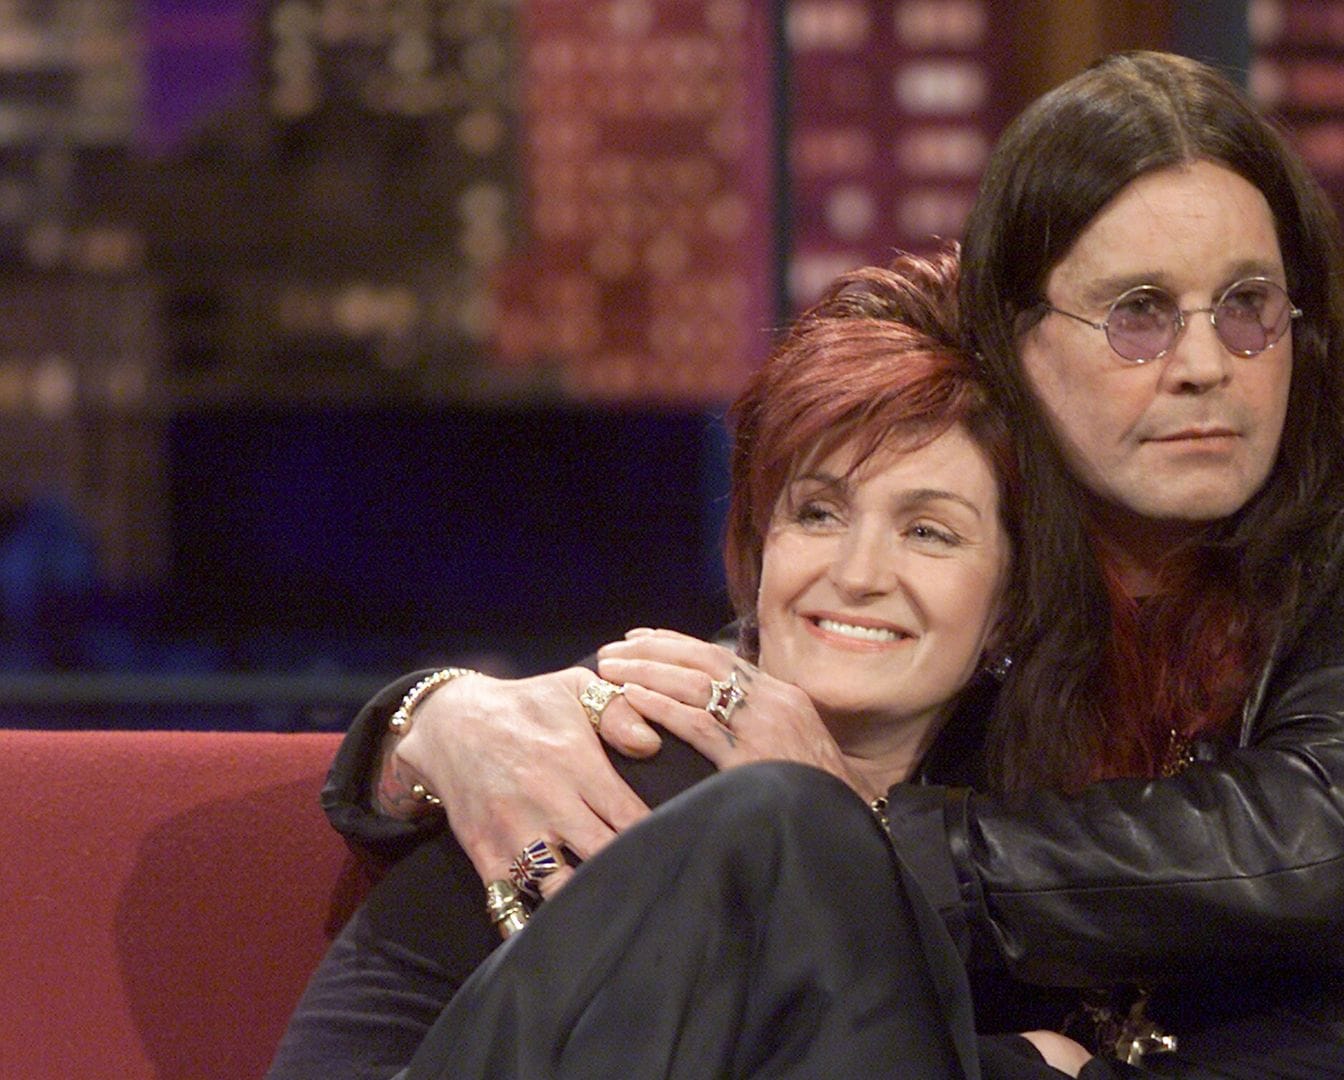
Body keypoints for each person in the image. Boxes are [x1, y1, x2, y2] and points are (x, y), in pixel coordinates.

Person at [319, 52, 1344, 1077]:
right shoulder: (999, 606)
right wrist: (433, 719)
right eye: (1139, 315)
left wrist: (849, 839)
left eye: (1249, 308)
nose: (1204, 364)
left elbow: (1318, 852)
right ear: (1021, 341)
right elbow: (786, 661)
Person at [271, 250, 1081, 1078]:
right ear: (763, 544)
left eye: (929, 532)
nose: (859, 573)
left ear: (1013, 598)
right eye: (819, 513)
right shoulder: (639, 732)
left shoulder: (1022, 827)